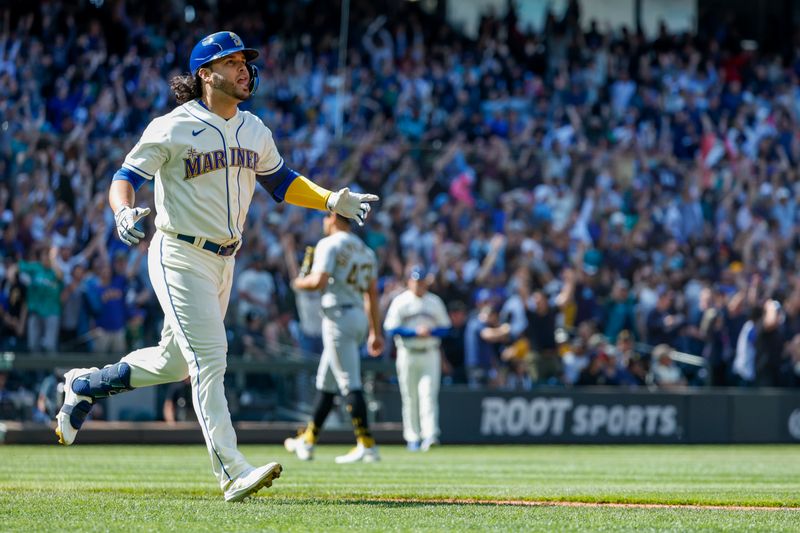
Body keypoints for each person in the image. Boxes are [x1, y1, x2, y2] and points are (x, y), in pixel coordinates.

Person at [54, 31, 379, 503]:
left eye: (246, 60)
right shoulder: (172, 126)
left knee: (172, 363)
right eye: (231, 62)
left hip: (225, 259)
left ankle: (85, 384)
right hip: (178, 253)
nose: (244, 68)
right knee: (211, 358)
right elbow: (125, 178)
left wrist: (331, 198)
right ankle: (232, 470)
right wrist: (123, 211)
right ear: (206, 74)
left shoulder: (254, 128)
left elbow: (282, 182)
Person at [284, 211, 384, 463]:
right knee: (326, 383)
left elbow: (318, 282)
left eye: (326, 218)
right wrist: (375, 331)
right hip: (357, 317)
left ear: (333, 217)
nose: (324, 223)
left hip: (338, 316)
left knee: (350, 382)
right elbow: (371, 295)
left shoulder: (328, 244)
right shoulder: (365, 249)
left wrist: (298, 283)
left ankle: (367, 444)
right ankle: (307, 441)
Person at [383, 265, 451, 451]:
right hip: (408, 352)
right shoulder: (400, 301)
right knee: (409, 396)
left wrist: (430, 331)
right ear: (409, 282)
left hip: (430, 351)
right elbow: (390, 328)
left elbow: (446, 328)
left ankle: (430, 435)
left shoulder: (434, 302)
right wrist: (413, 332)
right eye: (415, 281)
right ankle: (412, 437)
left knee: (428, 394)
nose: (418, 285)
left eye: (421, 282)